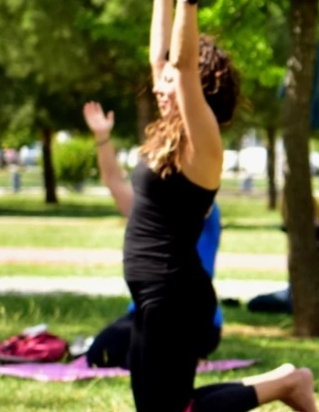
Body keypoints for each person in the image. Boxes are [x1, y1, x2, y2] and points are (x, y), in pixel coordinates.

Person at [123, 0, 319, 412]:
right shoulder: (168, 133)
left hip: (176, 294)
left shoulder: (201, 142)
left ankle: (286, 385)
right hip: (151, 291)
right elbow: (164, 60)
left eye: (174, 78)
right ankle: (282, 380)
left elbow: (182, 67)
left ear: (199, 89)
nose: (162, 80)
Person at [80, 101, 223, 368]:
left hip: (191, 318)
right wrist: (102, 136)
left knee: (116, 355)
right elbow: (114, 181)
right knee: (102, 353)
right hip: (147, 312)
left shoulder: (200, 201)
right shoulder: (153, 206)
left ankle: (184, 356)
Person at [246, 196, 319, 319]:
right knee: (256, 302)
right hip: (295, 290)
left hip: (314, 291)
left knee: (262, 304)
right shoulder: (313, 231)